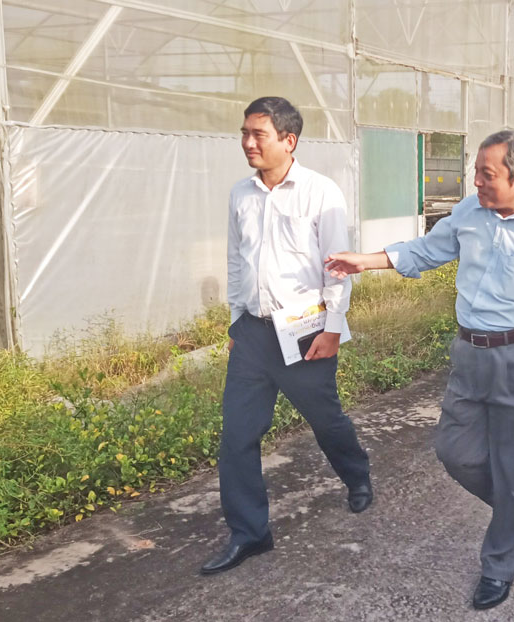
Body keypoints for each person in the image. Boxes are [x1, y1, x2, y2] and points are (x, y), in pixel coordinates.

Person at [324, 130, 514, 610]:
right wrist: (364, 262)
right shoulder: (470, 213)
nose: (475, 182)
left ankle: (499, 564)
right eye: (476, 171)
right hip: (469, 353)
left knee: (513, 468)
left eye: (486, 175)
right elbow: (426, 251)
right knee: (455, 451)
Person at [202, 97, 373, 575]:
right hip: (253, 334)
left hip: (304, 330)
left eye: (258, 134)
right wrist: (236, 320)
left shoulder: (321, 193)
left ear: (288, 140)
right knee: (237, 435)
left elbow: (337, 266)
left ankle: (357, 476)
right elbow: (237, 259)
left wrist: (334, 328)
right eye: (244, 133)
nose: (247, 143)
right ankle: (250, 533)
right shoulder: (241, 194)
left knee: (325, 419)